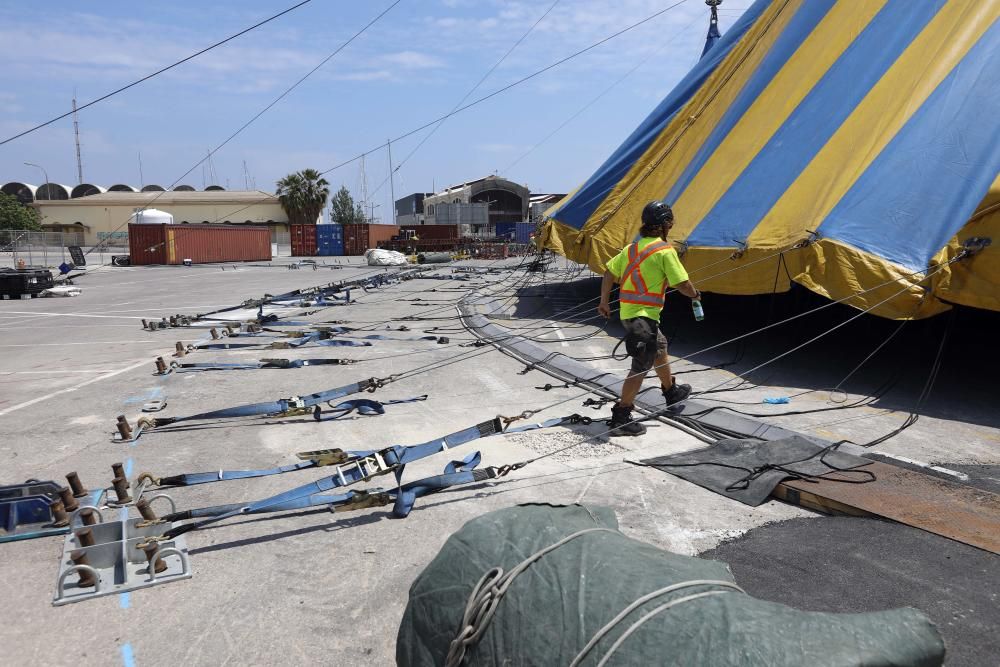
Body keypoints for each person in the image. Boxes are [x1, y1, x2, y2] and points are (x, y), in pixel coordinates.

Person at [597, 200, 701, 436]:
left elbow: (608, 272)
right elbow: (682, 284)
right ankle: (621, 416)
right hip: (643, 319)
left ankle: (670, 391)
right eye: (671, 222)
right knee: (641, 366)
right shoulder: (665, 251)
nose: (672, 225)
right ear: (664, 225)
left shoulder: (631, 249)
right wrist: (696, 295)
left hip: (631, 315)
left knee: (660, 347)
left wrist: (604, 301)